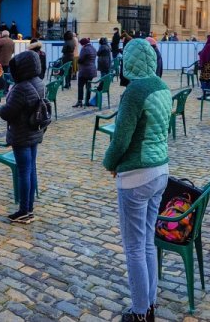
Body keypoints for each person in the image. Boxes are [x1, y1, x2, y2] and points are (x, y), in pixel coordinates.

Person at [101, 40, 170, 321]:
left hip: (137, 175)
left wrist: (109, 163)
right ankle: (149, 303)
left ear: (127, 62)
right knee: (148, 243)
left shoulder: (134, 91)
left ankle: (140, 311)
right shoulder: (162, 87)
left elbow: (122, 138)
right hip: (160, 170)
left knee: (134, 247)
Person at [0, 49, 48, 225]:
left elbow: (7, 112)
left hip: (21, 134)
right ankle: (29, 209)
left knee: (24, 172)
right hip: (34, 131)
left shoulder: (21, 88)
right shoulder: (38, 82)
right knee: (31, 170)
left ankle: (24, 211)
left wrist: (2, 107)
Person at [75, 37, 98, 107]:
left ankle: (79, 101)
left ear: (83, 44)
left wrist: (78, 60)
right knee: (88, 86)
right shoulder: (93, 48)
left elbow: (80, 60)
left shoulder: (84, 49)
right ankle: (87, 101)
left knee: (80, 86)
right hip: (92, 70)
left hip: (84, 71)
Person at [196, 35, 210, 99]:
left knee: (203, 79)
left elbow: (204, 54)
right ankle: (208, 93)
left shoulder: (208, 46)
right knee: (208, 79)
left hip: (206, 65)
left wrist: (200, 54)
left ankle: (204, 94)